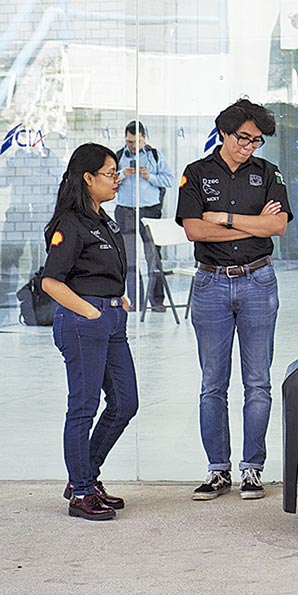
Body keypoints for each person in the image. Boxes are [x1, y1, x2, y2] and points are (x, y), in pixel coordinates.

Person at [176, 98, 291, 501]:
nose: (249, 147)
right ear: (223, 133)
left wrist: (223, 218)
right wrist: (255, 225)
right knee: (213, 383)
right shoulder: (197, 173)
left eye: (256, 141)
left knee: (258, 381)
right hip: (211, 283)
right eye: (243, 138)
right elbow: (194, 230)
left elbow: (278, 225)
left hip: (258, 280)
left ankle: (252, 468)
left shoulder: (268, 173)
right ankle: (217, 469)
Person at [41, 143, 138, 521]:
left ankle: (84, 476)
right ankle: (81, 492)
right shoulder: (70, 223)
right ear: (87, 178)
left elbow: (102, 269)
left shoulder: (103, 220)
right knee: (83, 408)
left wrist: (117, 299)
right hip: (85, 324)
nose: (117, 180)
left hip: (111, 320)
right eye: (110, 174)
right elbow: (51, 281)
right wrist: (91, 312)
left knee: (125, 402)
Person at [114, 121, 175, 312]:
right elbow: (108, 183)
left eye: (137, 142)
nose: (133, 146)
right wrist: (122, 174)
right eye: (130, 142)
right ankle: (136, 301)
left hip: (150, 211)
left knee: (153, 256)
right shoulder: (117, 157)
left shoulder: (155, 155)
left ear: (144, 138)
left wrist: (150, 176)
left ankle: (157, 300)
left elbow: (169, 180)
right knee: (129, 259)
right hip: (125, 211)